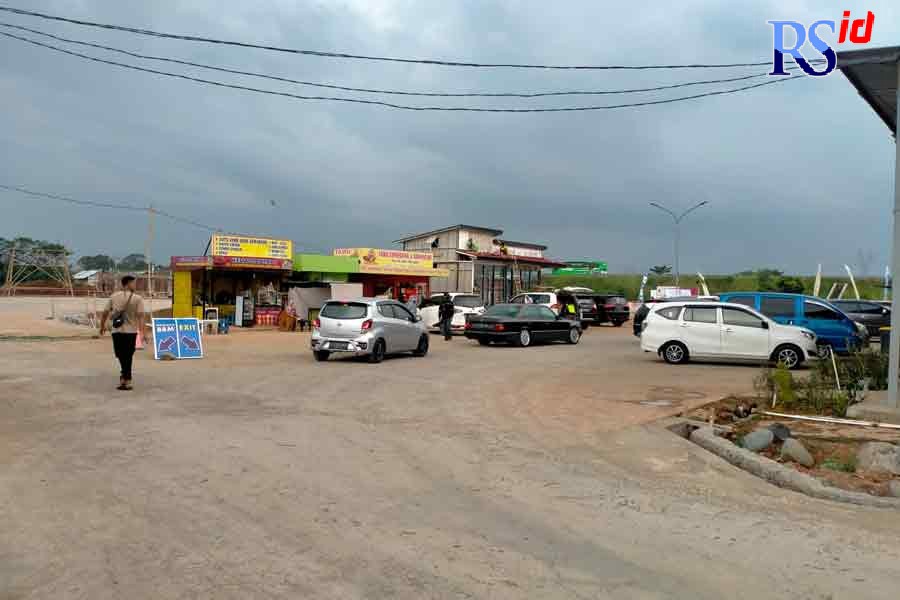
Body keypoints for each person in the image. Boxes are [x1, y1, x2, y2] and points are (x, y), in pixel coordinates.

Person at [99, 275, 145, 391]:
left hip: (117, 331)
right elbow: (141, 316)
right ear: (128, 283)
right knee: (127, 356)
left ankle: (124, 378)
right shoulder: (138, 298)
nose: (135, 285)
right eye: (134, 283)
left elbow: (105, 312)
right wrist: (142, 332)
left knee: (121, 355)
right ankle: (126, 378)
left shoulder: (114, 296)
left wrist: (102, 326)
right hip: (131, 332)